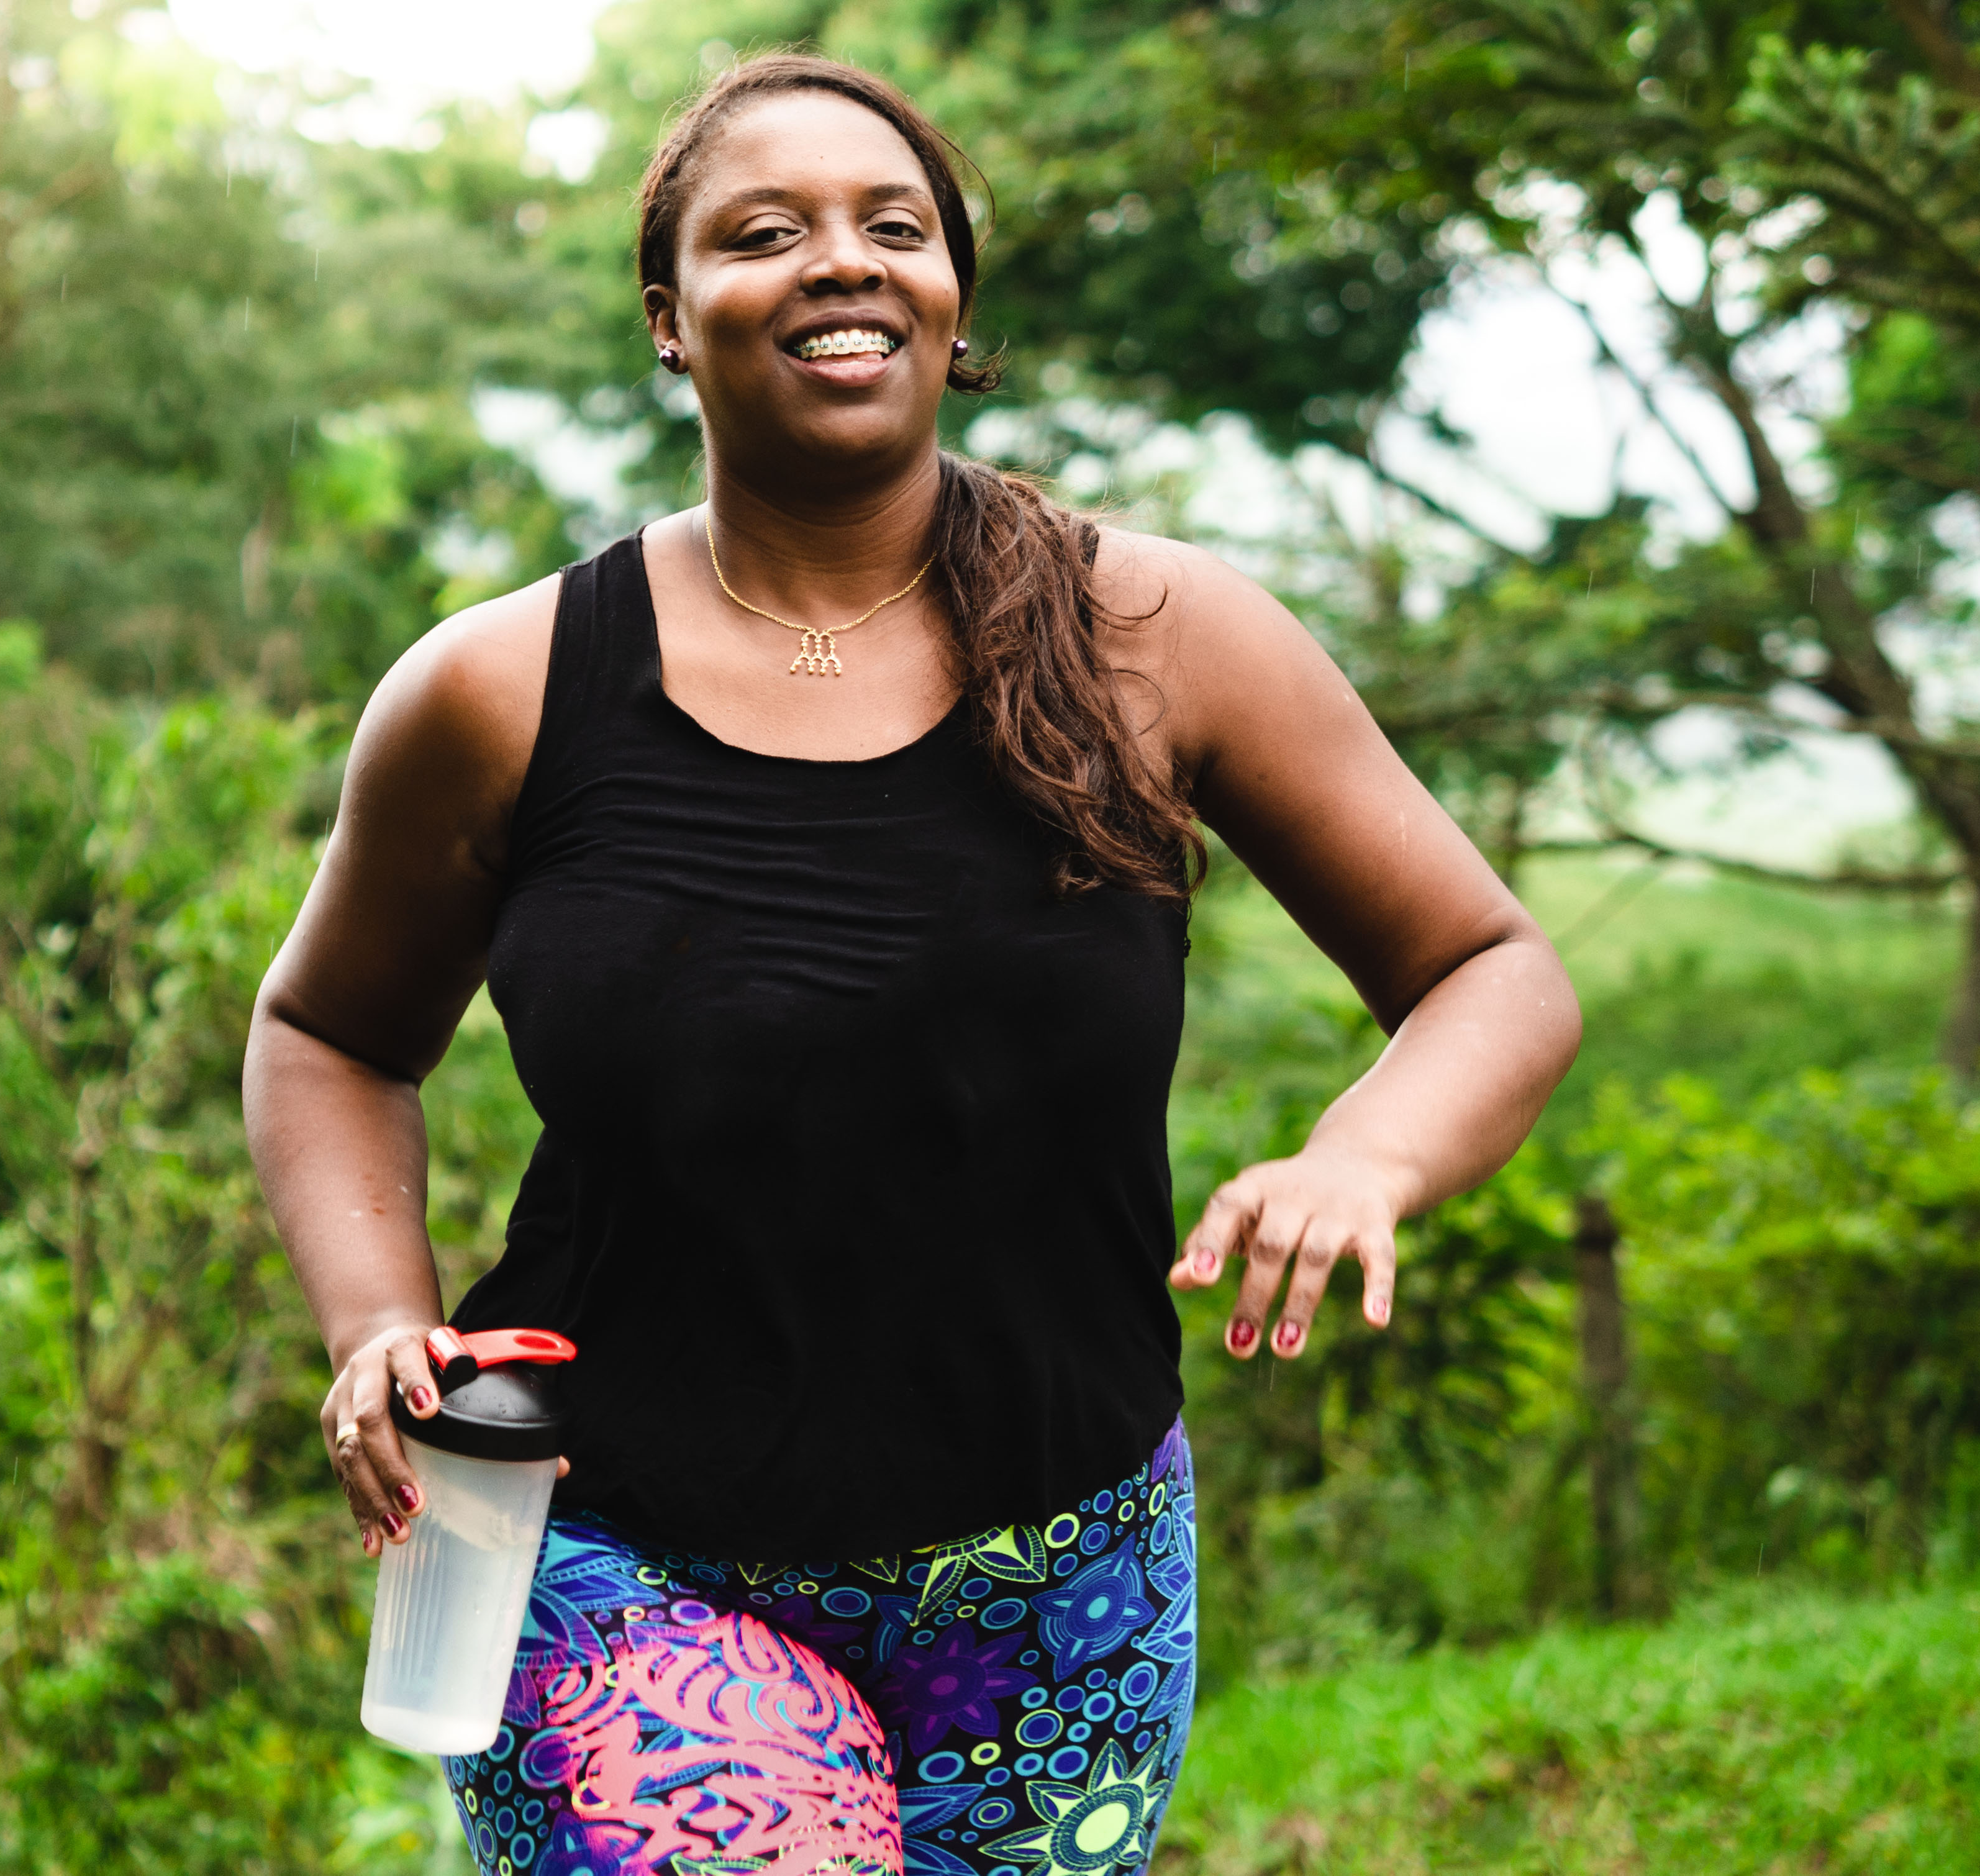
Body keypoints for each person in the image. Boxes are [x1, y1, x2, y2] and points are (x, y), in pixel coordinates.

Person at [243, 51, 1579, 1876]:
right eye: (766, 231)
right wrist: (376, 1321)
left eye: (895, 227)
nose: (844, 262)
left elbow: (1490, 967)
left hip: (1065, 1576)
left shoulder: (1160, 641)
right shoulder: (502, 689)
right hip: (615, 1548)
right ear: (668, 319)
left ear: (954, 306)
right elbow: (329, 1027)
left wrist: (1365, 1155)